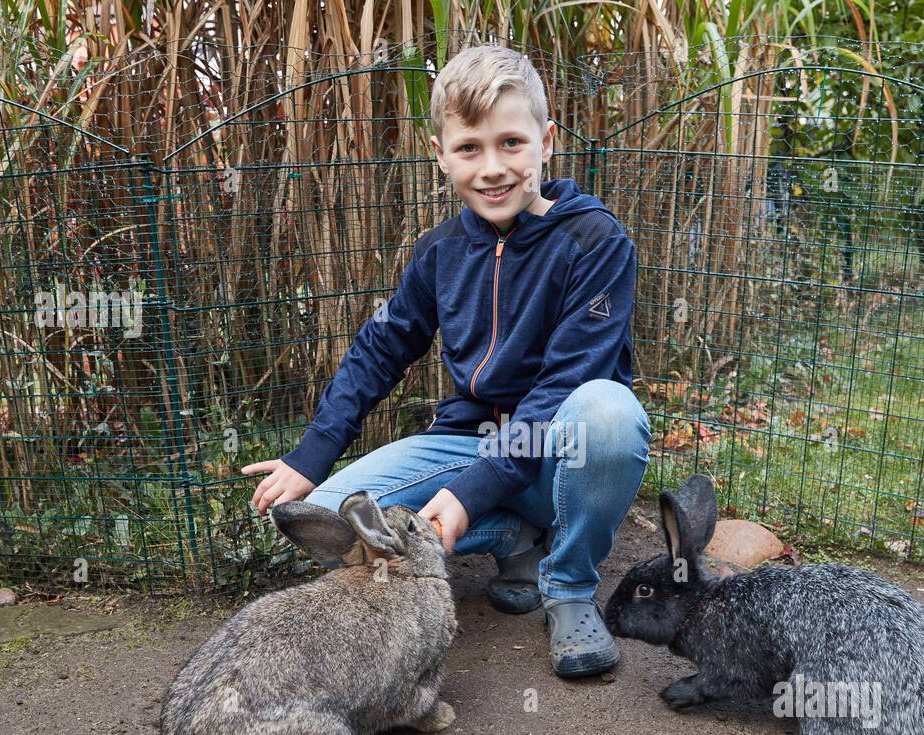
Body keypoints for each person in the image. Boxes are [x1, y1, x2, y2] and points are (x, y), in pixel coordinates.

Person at [243, 44, 650, 678]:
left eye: (511, 143)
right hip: (470, 440)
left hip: (558, 453)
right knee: (322, 518)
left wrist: (467, 494)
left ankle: (568, 586)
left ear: (546, 140)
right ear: (441, 156)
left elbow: (563, 386)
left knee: (609, 411)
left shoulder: (595, 242)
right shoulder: (438, 252)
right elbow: (379, 348)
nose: (492, 168)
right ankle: (517, 540)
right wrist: (312, 452)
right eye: (469, 149)